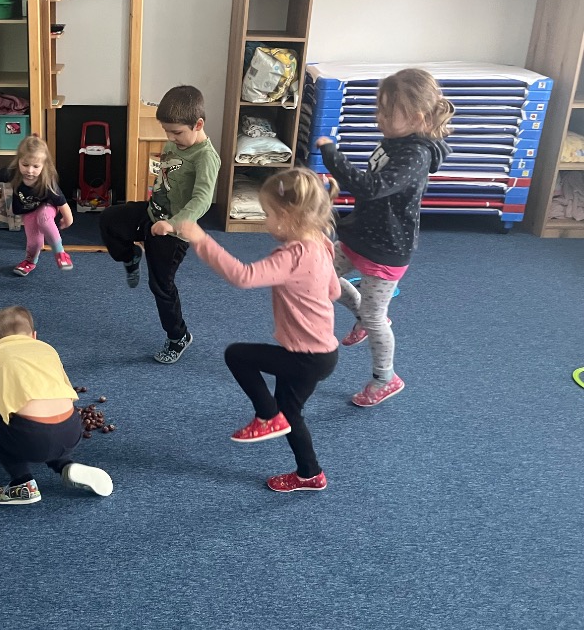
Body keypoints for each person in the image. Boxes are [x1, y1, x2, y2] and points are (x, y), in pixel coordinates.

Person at [176, 168, 340, 493]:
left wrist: (200, 239)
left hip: (305, 357)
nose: (266, 222)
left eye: (268, 214)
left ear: (288, 216)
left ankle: (266, 416)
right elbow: (333, 291)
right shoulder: (322, 244)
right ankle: (310, 474)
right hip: (323, 353)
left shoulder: (293, 256)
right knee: (290, 412)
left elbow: (243, 276)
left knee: (237, 355)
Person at [316, 67, 452, 407]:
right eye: (379, 109)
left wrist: (332, 156)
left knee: (376, 318)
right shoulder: (395, 140)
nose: (379, 118)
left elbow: (371, 187)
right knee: (319, 275)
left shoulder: (416, 154)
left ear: (416, 117)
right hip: (361, 232)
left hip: (387, 248)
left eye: (387, 113)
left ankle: (385, 378)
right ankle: (361, 315)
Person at [99, 85, 221, 364]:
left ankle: (179, 336)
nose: (170, 138)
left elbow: (202, 200)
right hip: (152, 213)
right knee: (109, 220)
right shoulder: (174, 144)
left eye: (176, 132)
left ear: (198, 124)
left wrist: (173, 224)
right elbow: (164, 179)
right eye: (166, 131)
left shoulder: (205, 158)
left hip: (174, 233)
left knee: (161, 286)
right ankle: (131, 255)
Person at [0, 306, 113, 505]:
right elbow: (67, 390)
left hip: (31, 440)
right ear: (34, 336)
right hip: (72, 431)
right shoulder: (47, 349)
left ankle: (23, 483)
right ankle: (65, 465)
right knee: (47, 421)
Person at [0, 134, 75, 277]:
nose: (30, 170)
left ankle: (61, 253)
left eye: (36, 166)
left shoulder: (47, 182)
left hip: (47, 206)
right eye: (25, 165)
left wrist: (68, 219)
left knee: (44, 218)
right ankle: (30, 261)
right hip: (28, 210)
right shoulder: (12, 172)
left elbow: (62, 203)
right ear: (18, 161)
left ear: (44, 166)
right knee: (34, 242)